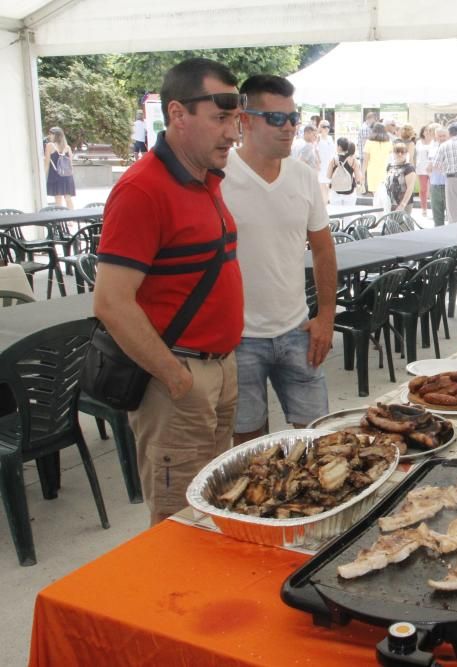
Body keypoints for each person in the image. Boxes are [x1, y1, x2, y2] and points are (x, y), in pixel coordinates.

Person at [93, 57, 244, 524]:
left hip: (218, 370)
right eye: (221, 119)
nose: (233, 133)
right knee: (181, 523)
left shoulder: (207, 177)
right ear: (177, 114)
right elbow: (111, 302)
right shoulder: (142, 190)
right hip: (179, 380)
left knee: (222, 507)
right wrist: (176, 378)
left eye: (236, 119)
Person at [221, 74, 336, 444]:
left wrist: (326, 317)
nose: (288, 128)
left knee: (318, 439)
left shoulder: (303, 177)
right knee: (250, 449)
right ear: (245, 120)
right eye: (276, 119)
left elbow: (323, 249)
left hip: (298, 331)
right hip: (238, 339)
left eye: (293, 118)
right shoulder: (218, 178)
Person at [44, 127, 75, 209]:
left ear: (56, 135)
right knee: (68, 198)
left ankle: (61, 220)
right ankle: (72, 219)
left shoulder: (50, 146)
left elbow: (47, 163)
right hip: (67, 176)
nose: (49, 136)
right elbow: (71, 164)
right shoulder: (67, 147)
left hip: (56, 175)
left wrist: (44, 176)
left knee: (58, 199)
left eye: (51, 134)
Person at [385, 140, 417, 214]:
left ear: (406, 154)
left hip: (403, 204)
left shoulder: (409, 168)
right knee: (391, 224)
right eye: (397, 152)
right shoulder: (390, 166)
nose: (400, 154)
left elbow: (410, 188)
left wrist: (402, 205)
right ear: (393, 153)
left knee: (402, 224)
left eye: (402, 152)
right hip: (390, 202)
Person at [328, 137, 360, 206]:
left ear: (339, 147)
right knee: (348, 215)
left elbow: (328, 175)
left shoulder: (333, 159)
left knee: (336, 214)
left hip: (335, 192)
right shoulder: (353, 160)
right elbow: (358, 178)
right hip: (350, 192)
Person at [363, 122, 392, 198]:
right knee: (384, 194)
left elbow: (365, 160)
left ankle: (377, 208)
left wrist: (362, 173)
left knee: (375, 195)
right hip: (385, 171)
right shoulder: (389, 143)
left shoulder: (368, 142)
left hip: (372, 171)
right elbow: (391, 158)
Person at [429, 125, 449, 226]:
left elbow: (436, 166)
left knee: (451, 216)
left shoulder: (451, 147)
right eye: (439, 136)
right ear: (436, 136)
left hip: (448, 184)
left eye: (444, 135)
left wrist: (435, 165)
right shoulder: (432, 148)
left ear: (448, 135)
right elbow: (429, 167)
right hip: (435, 184)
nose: (442, 138)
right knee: (437, 216)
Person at [414, 124, 436, 216]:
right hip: (421, 168)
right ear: (422, 132)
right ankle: (424, 209)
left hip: (433, 169)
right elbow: (415, 155)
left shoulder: (435, 142)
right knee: (423, 189)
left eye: (429, 130)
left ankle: (435, 208)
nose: (427, 132)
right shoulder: (418, 142)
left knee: (434, 189)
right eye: (425, 130)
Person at [356, 111, 377, 191]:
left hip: (364, 155)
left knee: (365, 172)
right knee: (365, 172)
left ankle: (365, 188)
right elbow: (367, 142)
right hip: (365, 155)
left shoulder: (364, 127)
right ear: (370, 119)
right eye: (374, 119)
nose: (374, 121)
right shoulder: (365, 128)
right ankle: (364, 189)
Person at [316, 119, 336, 203]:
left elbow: (333, 151)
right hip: (321, 165)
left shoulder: (330, 138)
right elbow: (314, 149)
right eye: (324, 126)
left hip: (329, 165)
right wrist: (318, 161)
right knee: (322, 186)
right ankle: (324, 204)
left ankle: (326, 202)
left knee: (327, 186)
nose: (326, 128)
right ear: (320, 127)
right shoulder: (318, 137)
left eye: (328, 126)